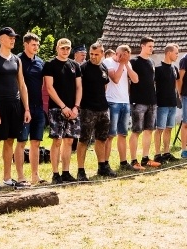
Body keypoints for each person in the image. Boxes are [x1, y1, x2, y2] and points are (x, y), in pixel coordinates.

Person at [0, 27, 30, 190]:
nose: (13, 40)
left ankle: (7, 177)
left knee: (10, 141)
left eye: (14, 37)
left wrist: (26, 109)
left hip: (15, 105)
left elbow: (22, 85)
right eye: (10, 37)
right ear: (1, 39)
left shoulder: (17, 60)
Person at [42, 38, 82, 184]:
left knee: (69, 140)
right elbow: (49, 88)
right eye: (63, 48)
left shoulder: (75, 65)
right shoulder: (50, 65)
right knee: (57, 141)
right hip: (56, 108)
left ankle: (66, 172)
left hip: (73, 109)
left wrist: (76, 107)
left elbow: (79, 87)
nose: (65, 51)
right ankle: (55, 173)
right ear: (57, 48)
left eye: (68, 48)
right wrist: (63, 107)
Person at [77, 42, 116, 178]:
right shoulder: (83, 68)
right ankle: (81, 171)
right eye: (91, 54)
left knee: (102, 139)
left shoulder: (103, 67)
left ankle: (102, 167)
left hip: (103, 109)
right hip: (87, 109)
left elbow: (104, 87)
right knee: (84, 140)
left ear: (102, 54)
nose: (93, 57)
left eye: (96, 54)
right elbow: (78, 88)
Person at [15, 32, 46, 186]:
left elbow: (42, 85)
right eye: (33, 44)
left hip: (38, 107)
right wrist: (25, 107)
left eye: (37, 45)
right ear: (25, 44)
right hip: (22, 107)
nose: (36, 47)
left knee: (36, 143)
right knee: (21, 142)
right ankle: (20, 177)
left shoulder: (41, 62)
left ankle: (35, 176)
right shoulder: (17, 60)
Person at [103, 45, 138, 170]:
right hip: (112, 102)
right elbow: (115, 79)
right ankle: (105, 163)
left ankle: (123, 162)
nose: (125, 58)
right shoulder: (108, 62)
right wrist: (122, 64)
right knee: (110, 134)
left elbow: (135, 80)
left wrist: (127, 64)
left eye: (127, 56)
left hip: (125, 102)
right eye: (123, 55)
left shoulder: (126, 63)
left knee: (123, 134)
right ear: (117, 54)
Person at [129, 37, 160, 169]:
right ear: (142, 46)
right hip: (138, 101)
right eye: (149, 46)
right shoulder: (134, 61)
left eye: (153, 46)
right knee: (136, 131)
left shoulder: (152, 62)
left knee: (149, 130)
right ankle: (133, 160)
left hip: (152, 101)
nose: (151, 48)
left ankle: (145, 158)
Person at [154, 43, 180, 163]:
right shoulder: (158, 68)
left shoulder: (175, 68)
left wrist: (178, 98)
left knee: (169, 128)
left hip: (172, 103)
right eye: (176, 53)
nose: (177, 55)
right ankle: (157, 154)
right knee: (160, 129)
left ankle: (166, 152)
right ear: (169, 53)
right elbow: (152, 84)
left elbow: (176, 85)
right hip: (161, 103)